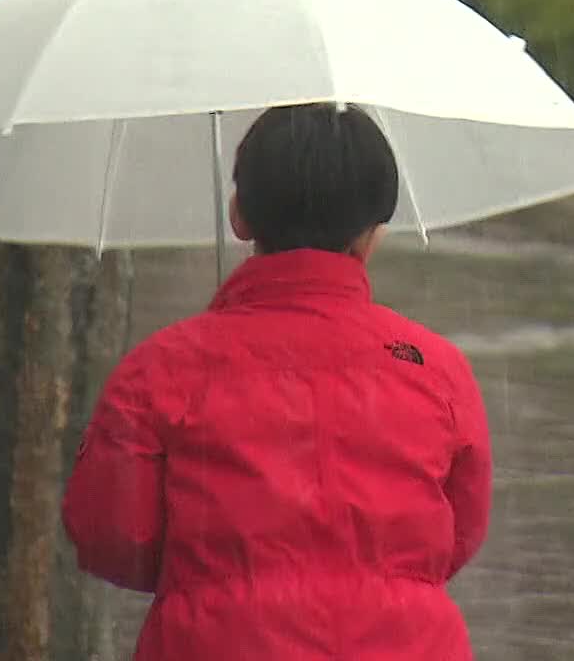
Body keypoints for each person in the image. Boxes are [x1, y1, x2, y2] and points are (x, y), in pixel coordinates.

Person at [62, 102, 493, 659]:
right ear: (374, 234)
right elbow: (456, 537)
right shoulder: (434, 367)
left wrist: (215, 575)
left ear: (239, 214)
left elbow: (114, 540)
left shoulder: (159, 370)